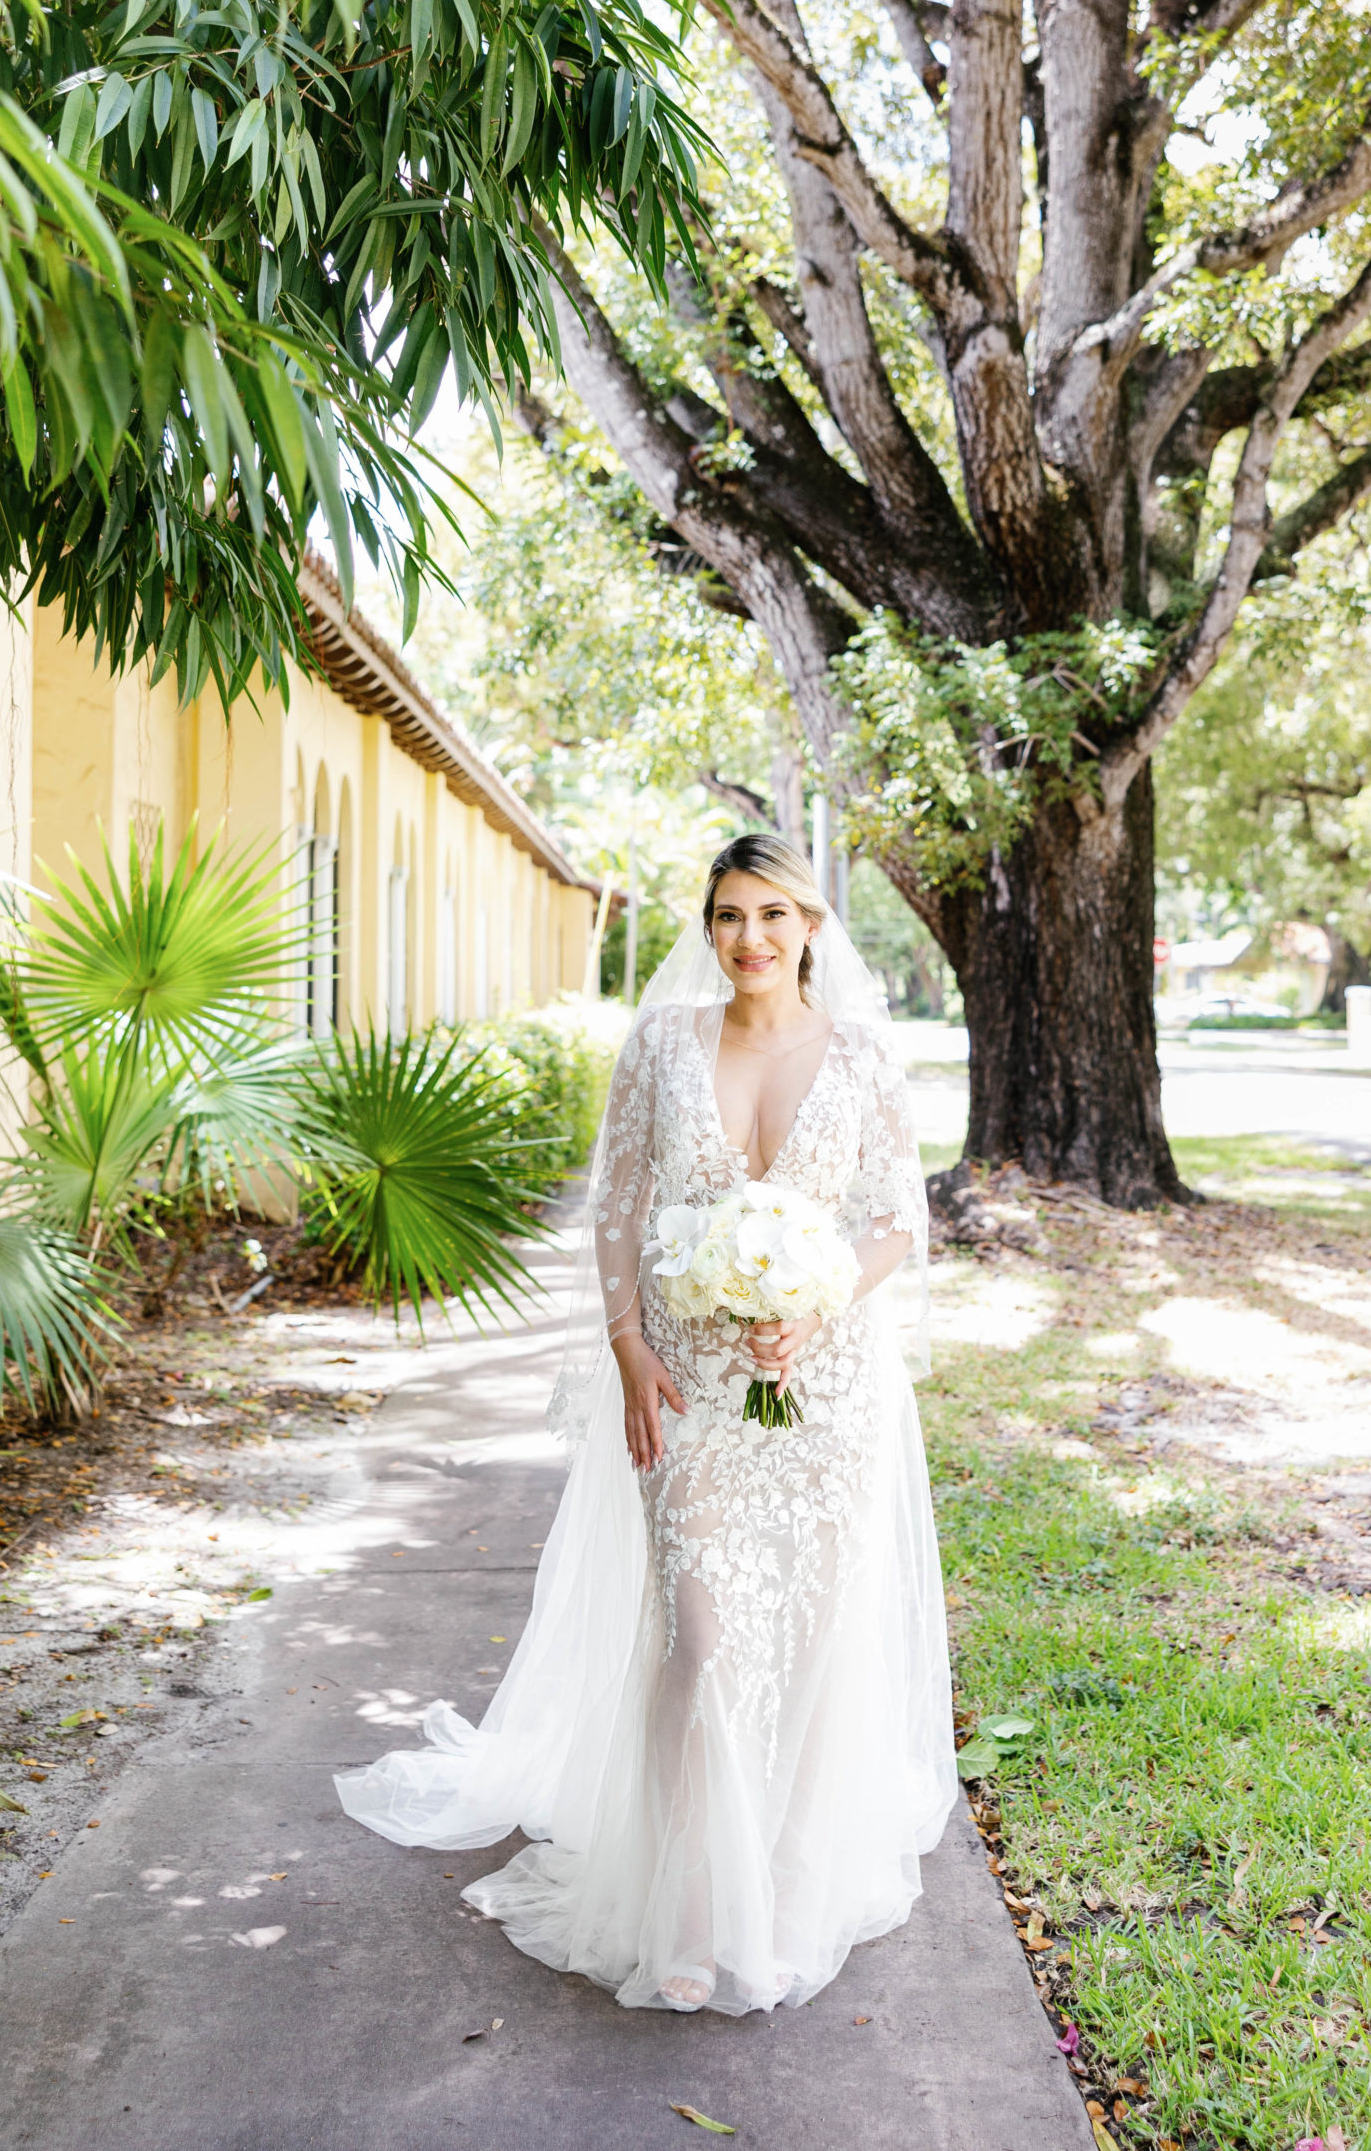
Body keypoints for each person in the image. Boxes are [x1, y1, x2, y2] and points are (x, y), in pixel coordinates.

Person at [335, 833, 956, 2015]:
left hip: (828, 1394)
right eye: (730, 915)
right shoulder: (664, 1044)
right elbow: (616, 1210)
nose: (752, 938)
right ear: (708, 926)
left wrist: (818, 1310)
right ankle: (681, 1902)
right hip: (687, 1387)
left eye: (775, 913)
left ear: (814, 924)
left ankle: (777, 1882)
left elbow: (893, 1222)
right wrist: (628, 1350)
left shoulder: (866, 1058)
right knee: (704, 1640)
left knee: (816, 1643)